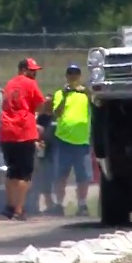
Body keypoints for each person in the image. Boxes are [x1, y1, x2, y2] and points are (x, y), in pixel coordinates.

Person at [0, 58, 46, 221]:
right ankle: (19, 209)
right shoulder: (30, 83)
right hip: (24, 131)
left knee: (12, 170)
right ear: (23, 70)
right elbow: (40, 105)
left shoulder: (9, 84)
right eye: (32, 70)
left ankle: (9, 206)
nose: (34, 74)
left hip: (6, 132)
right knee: (25, 173)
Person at [52, 63, 93, 217]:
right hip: (64, 140)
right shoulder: (59, 94)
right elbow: (57, 113)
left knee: (83, 176)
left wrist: (87, 91)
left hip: (82, 141)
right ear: (66, 76)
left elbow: (96, 102)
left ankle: (82, 204)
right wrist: (65, 94)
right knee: (61, 175)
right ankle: (59, 204)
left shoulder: (85, 94)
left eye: (76, 74)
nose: (73, 77)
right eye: (70, 74)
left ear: (80, 76)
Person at [28, 93, 59, 215]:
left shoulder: (57, 118)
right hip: (40, 153)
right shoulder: (38, 118)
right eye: (45, 102)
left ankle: (52, 205)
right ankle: (34, 205)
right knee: (37, 180)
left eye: (50, 102)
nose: (47, 104)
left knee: (49, 180)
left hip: (54, 151)